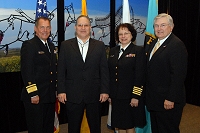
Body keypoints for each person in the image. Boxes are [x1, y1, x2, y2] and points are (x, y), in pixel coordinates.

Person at [57, 15, 109, 133]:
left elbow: (104, 70)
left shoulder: (99, 46)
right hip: (72, 94)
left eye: (86, 25)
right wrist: (61, 90)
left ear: (90, 27)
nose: (83, 28)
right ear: (75, 27)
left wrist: (105, 90)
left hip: (94, 94)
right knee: (73, 128)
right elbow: (61, 70)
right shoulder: (65, 45)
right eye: (80, 25)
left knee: (95, 127)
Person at [145, 13, 188, 133]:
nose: (159, 29)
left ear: (171, 27)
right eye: (156, 26)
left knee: (168, 130)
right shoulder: (154, 43)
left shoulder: (176, 45)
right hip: (155, 100)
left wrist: (170, 98)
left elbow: (178, 75)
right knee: (157, 129)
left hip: (168, 101)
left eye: (163, 25)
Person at [20, 17, 57, 133]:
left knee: (47, 128)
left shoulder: (51, 47)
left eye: (47, 27)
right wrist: (33, 94)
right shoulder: (29, 45)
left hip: (49, 96)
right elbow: (27, 71)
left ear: (50, 29)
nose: (45, 30)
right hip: (36, 97)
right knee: (36, 129)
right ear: (36, 29)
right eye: (42, 27)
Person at [108, 23, 146, 133]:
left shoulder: (138, 51)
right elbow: (110, 74)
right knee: (118, 125)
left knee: (129, 125)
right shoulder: (113, 51)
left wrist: (135, 96)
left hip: (129, 97)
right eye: (120, 34)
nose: (123, 36)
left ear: (132, 35)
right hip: (116, 96)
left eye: (126, 33)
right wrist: (110, 93)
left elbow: (140, 76)